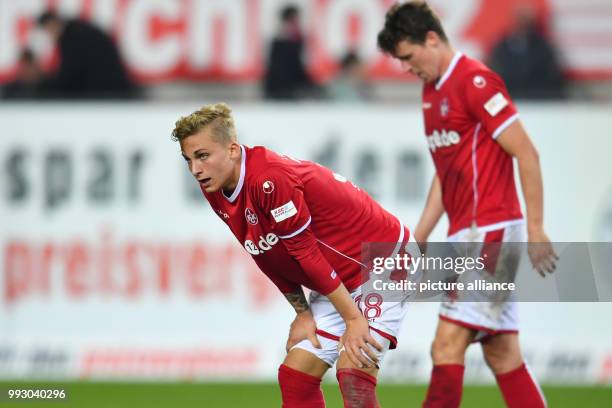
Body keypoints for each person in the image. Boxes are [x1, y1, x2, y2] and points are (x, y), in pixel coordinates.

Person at [172, 102, 417, 407]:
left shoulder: (268, 178)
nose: (195, 169)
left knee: (353, 371)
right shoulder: (216, 187)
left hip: (383, 261)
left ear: (232, 149)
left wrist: (354, 319)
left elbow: (305, 251)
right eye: (189, 159)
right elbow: (263, 251)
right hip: (339, 277)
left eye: (203, 156)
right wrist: (302, 312)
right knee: (295, 376)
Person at [377, 2, 557, 407]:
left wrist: (536, 228)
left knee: (446, 345)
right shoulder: (431, 93)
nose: (406, 67)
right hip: (468, 233)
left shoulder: (475, 81)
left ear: (432, 39)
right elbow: (447, 173)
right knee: (502, 353)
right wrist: (418, 237)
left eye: (408, 56)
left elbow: (526, 152)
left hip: (491, 231)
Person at [37, 10, 136, 99]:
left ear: (52, 24)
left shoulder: (73, 37)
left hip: (106, 92)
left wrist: (46, 87)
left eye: (47, 31)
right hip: (111, 88)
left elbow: (70, 74)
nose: (50, 36)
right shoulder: (77, 31)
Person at [488, 3, 566, 100]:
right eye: (520, 20)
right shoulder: (501, 47)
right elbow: (494, 74)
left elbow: (552, 76)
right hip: (510, 99)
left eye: (526, 21)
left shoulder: (543, 47)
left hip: (538, 100)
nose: (523, 24)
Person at [263, 5, 318, 100]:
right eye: (294, 19)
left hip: (292, 87)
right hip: (279, 88)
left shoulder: (298, 38)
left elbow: (298, 65)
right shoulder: (278, 40)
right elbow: (279, 67)